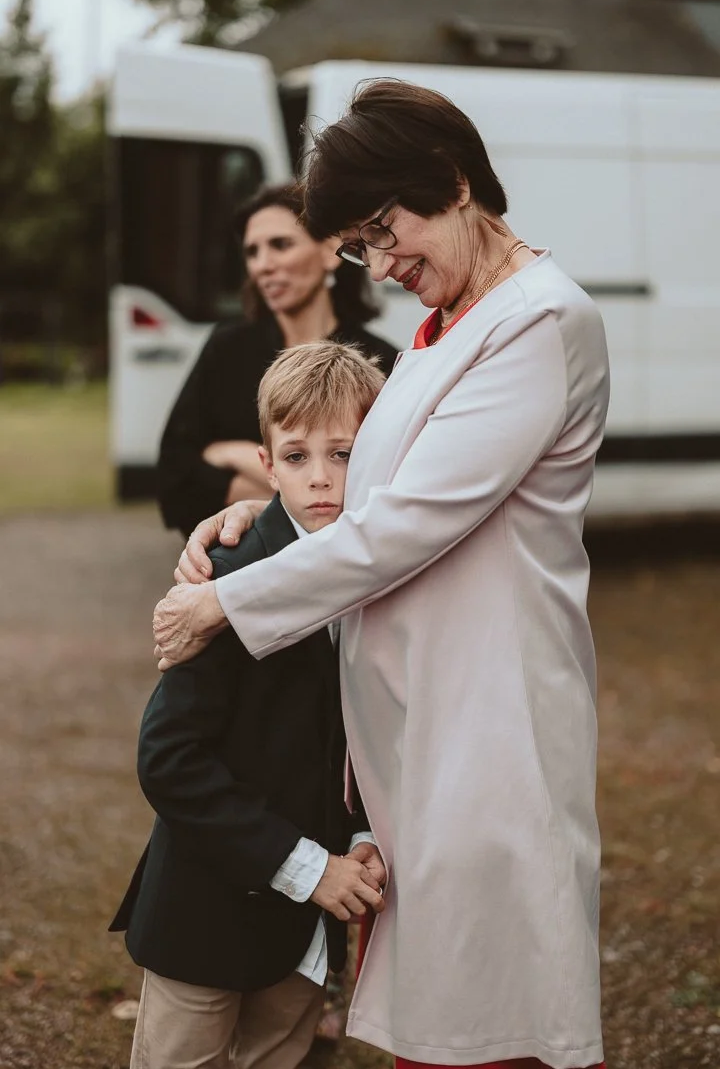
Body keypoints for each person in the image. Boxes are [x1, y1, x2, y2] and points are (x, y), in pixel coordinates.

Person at [151, 79, 611, 1069]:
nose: (383, 263)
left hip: (486, 719)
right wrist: (257, 517)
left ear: (453, 181)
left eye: (383, 230)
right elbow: (365, 487)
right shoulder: (444, 326)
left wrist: (225, 601)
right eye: (361, 245)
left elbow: (407, 524)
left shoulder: (539, 322)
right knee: (439, 1011)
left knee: (491, 1019)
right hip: (413, 731)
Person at [111, 340, 388, 1069]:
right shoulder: (228, 576)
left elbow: (365, 737)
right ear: (267, 465)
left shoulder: (387, 582)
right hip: (206, 911)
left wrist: (364, 834)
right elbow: (169, 760)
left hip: (307, 932)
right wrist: (308, 868)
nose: (321, 477)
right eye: (297, 457)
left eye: (344, 454)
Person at [156, 182, 397, 537]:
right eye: (252, 252)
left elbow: (381, 490)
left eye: (280, 245)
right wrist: (297, 498)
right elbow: (175, 483)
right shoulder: (227, 350)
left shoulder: (377, 362)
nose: (263, 265)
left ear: (330, 250)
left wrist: (234, 456)